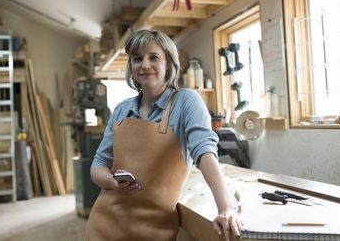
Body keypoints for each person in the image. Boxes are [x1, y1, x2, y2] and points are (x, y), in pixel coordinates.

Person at [85, 29, 242, 241]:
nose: (145, 64)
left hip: (154, 229)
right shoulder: (122, 110)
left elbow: (204, 153)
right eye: (137, 58)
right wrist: (112, 182)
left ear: (168, 63)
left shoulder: (186, 101)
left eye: (154, 57)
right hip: (105, 222)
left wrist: (225, 208)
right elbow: (98, 165)